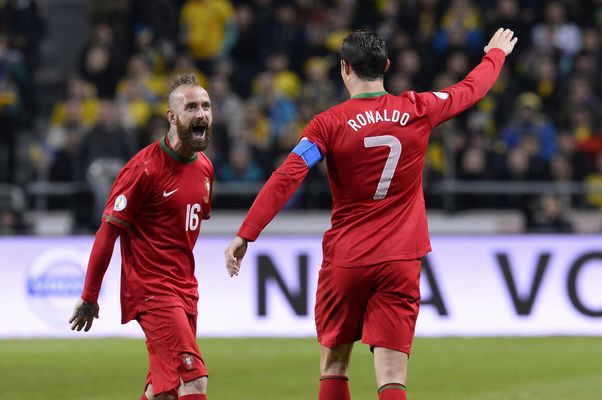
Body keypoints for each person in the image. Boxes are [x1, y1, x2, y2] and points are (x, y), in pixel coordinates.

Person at [225, 28, 518, 400]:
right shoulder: (418, 109)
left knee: (334, 365)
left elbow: (289, 175)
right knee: (393, 374)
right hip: (400, 258)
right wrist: (495, 54)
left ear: (344, 68)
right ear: (387, 67)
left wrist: (246, 233)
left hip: (347, 260)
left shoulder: (328, 124)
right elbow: (470, 89)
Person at [69, 73, 214, 400]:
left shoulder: (205, 167)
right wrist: (90, 295)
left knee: (161, 390)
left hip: (185, 289)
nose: (202, 113)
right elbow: (107, 234)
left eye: (206, 105)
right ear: (172, 117)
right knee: (194, 378)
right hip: (151, 289)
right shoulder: (143, 169)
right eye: (191, 107)